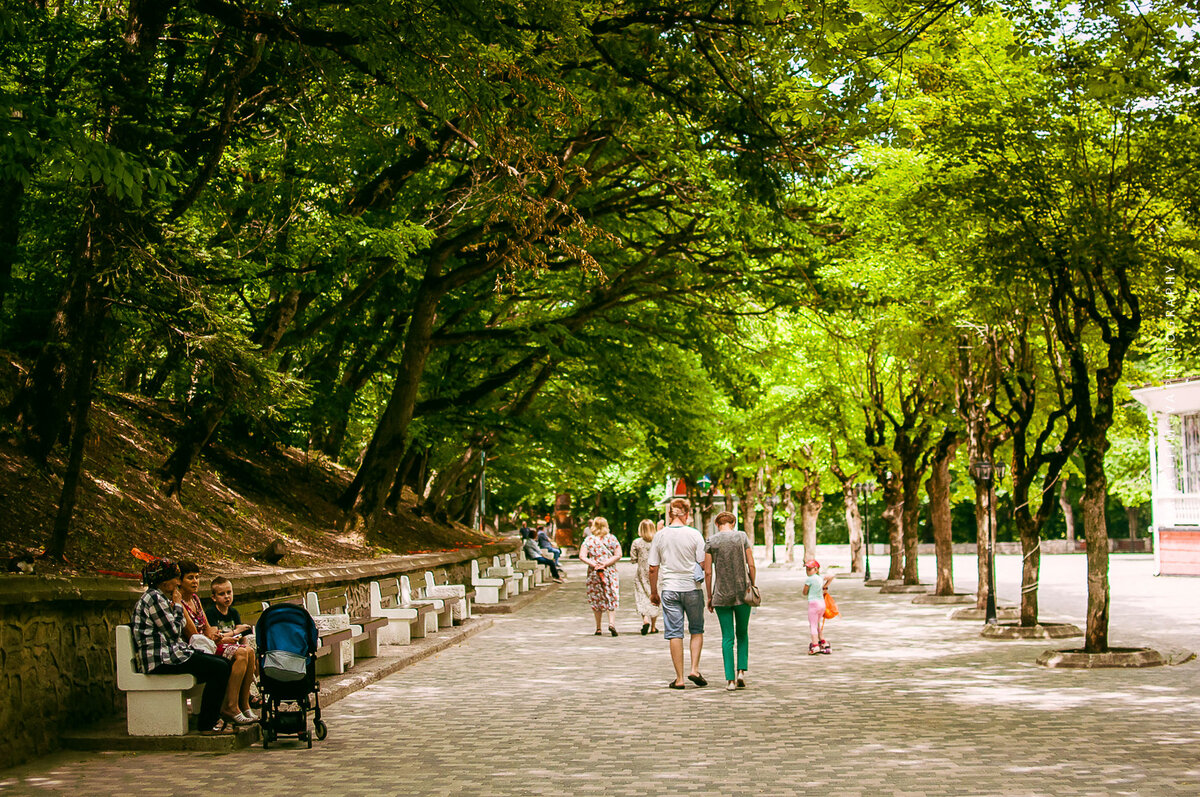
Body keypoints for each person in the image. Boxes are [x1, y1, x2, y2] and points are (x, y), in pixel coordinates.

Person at [130, 558, 232, 733]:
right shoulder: (154, 598)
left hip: (171, 654)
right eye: (175, 578)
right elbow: (174, 630)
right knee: (219, 668)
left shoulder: (159, 597)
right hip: (160, 660)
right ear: (164, 581)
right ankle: (208, 723)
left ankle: (212, 718)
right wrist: (178, 605)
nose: (178, 582)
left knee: (222, 664)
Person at [178, 561, 258, 724]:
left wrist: (222, 637)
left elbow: (207, 629)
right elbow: (193, 635)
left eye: (197, 577)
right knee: (241, 653)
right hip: (197, 649)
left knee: (248, 650)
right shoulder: (180, 604)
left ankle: (244, 704)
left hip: (208, 642)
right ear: (179, 581)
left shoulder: (195, 599)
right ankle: (230, 705)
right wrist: (217, 637)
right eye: (190, 578)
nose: (195, 581)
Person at [649, 499, 707, 689]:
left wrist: (653, 592)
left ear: (669, 515)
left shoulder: (660, 536)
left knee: (675, 632)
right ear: (687, 514)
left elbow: (652, 567)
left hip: (669, 588)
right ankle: (695, 669)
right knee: (696, 629)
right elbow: (703, 563)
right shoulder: (695, 535)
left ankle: (680, 678)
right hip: (692, 588)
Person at [704, 511, 755, 691]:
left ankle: (730, 680)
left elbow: (708, 571)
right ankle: (741, 671)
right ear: (733, 523)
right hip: (743, 592)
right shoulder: (742, 537)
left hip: (721, 594)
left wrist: (709, 596)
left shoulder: (711, 541)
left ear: (717, 524)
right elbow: (751, 563)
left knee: (727, 637)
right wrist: (752, 585)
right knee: (742, 633)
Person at [579, 516, 622, 635]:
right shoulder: (612, 539)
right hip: (609, 572)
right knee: (611, 596)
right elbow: (618, 554)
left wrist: (594, 564)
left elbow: (582, 556)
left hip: (594, 572)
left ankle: (598, 627)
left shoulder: (589, 540)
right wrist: (605, 563)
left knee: (596, 598)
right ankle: (611, 623)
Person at [629, 519, 661, 635]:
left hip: (641, 573)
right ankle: (653, 626)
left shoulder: (637, 542)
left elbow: (633, 559)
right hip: (656, 572)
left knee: (641, 595)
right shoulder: (658, 541)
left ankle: (645, 620)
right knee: (655, 596)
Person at [803, 559, 836, 655]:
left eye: (810, 569)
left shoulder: (809, 580)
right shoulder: (820, 578)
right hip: (822, 604)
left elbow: (804, 592)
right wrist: (825, 586)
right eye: (807, 569)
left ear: (816, 569)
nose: (808, 571)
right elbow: (832, 576)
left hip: (813, 604)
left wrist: (808, 590)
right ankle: (823, 641)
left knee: (813, 625)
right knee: (817, 623)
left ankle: (815, 645)